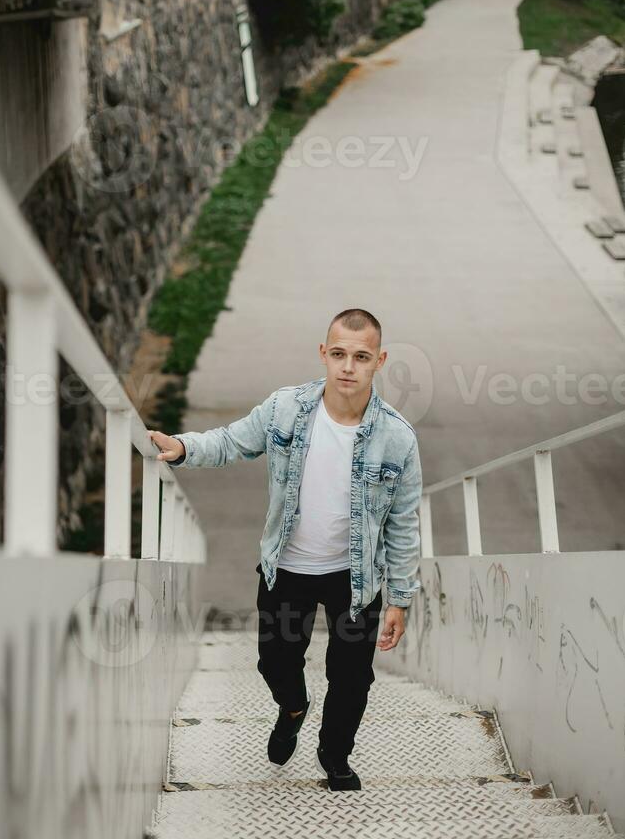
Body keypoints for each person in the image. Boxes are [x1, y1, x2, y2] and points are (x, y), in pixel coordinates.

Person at [148, 307, 423, 791]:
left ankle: (334, 754)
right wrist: (184, 447)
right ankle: (293, 707)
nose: (347, 367)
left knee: (353, 678)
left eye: (361, 357)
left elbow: (403, 523)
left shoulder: (397, 437)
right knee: (275, 661)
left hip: (355, 580)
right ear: (323, 353)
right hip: (288, 569)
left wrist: (400, 597)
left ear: (379, 361)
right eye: (338, 354)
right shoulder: (285, 409)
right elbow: (232, 441)